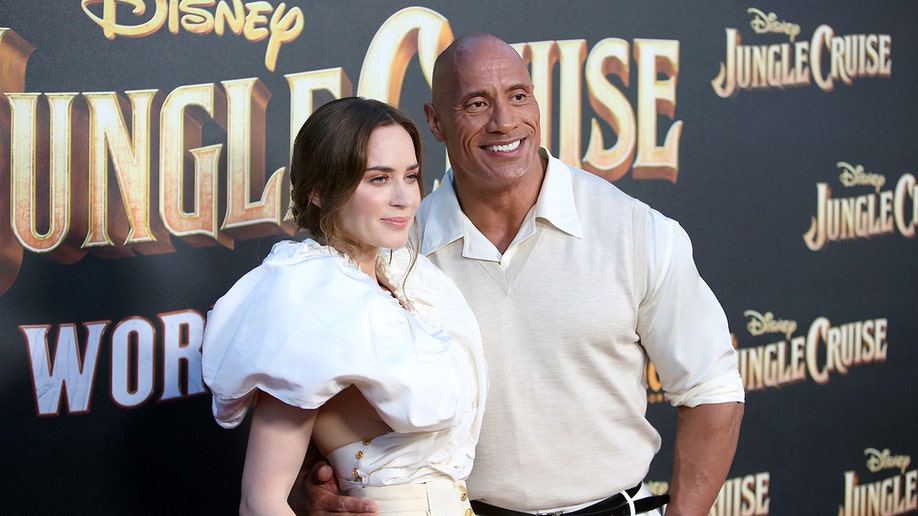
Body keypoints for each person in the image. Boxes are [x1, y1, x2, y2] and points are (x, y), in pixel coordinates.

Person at [306, 34, 745, 516]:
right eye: (476, 103)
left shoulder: (635, 230)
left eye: (519, 96)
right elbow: (320, 393)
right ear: (435, 121)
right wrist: (313, 491)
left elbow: (712, 389)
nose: (505, 122)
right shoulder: (393, 249)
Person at [202, 97, 487, 516]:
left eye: (410, 177)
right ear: (319, 191)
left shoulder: (415, 284)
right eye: (377, 179)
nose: (404, 198)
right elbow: (259, 501)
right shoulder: (308, 297)